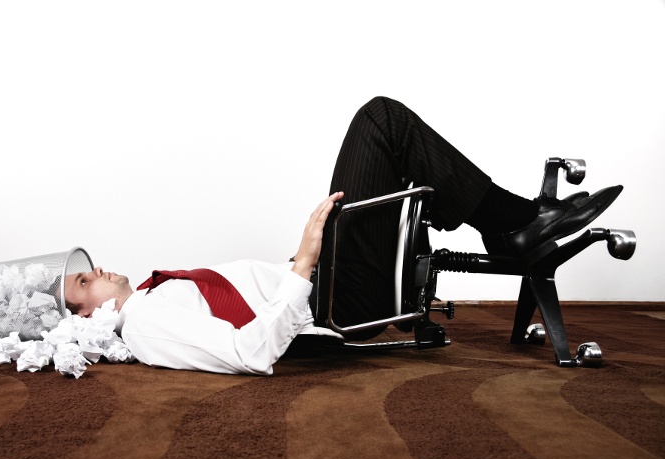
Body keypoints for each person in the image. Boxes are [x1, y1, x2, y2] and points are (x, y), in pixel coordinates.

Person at [64, 97, 622, 375]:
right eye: (86, 280)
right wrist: (305, 262)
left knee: (388, 133)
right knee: (382, 122)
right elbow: (248, 352)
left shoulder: (149, 302)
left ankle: (512, 227)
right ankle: (516, 225)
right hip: (335, 303)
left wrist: (300, 262)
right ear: (84, 316)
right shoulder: (144, 323)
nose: (101, 269)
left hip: (327, 285)